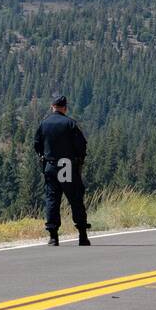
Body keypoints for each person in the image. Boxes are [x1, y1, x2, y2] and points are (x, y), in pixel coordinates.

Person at [33, 96, 90, 246]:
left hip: (50, 166)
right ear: (65, 108)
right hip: (67, 166)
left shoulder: (43, 124)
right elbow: (82, 145)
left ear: (52, 107)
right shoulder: (70, 123)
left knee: (52, 200)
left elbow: (37, 144)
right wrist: (79, 160)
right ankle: (82, 235)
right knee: (75, 200)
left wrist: (43, 157)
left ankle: (53, 237)